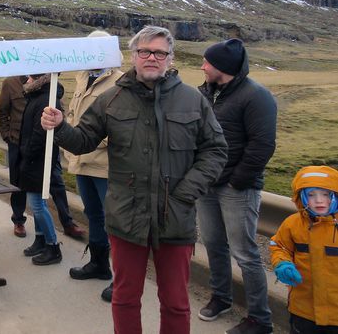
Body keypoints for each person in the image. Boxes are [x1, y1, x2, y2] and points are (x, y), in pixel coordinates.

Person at [41, 25, 227, 334]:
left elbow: (216, 151)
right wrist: (60, 127)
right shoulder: (112, 99)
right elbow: (84, 140)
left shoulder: (193, 100)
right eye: (144, 51)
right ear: (133, 56)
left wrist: (185, 193)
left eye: (159, 52)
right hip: (126, 217)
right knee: (125, 298)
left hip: (175, 219)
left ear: (170, 58)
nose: (152, 57)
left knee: (176, 302)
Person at [197, 38, 277, 334]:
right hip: (206, 185)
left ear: (223, 67)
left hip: (237, 189)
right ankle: (221, 298)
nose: (202, 66)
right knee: (214, 245)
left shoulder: (257, 96)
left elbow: (262, 145)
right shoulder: (205, 92)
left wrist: (236, 181)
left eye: (207, 62)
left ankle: (260, 319)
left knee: (245, 254)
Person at [64, 30, 123, 298]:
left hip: (105, 164)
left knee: (115, 221)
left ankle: (122, 279)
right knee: (93, 214)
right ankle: (99, 264)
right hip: (81, 162)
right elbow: (73, 115)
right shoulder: (82, 78)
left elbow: (119, 127)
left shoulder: (119, 83)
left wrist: (87, 140)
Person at [0, 75, 85, 239]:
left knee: (56, 182)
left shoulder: (48, 84)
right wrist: (7, 136)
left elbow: (60, 110)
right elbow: (2, 111)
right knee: (19, 184)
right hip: (18, 142)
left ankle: (67, 223)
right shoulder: (10, 82)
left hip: (46, 143)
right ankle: (19, 220)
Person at [269, 166, 338, 334]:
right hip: (303, 309)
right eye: (311, 195)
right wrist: (282, 263)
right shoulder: (293, 224)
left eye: (325, 195)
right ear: (301, 197)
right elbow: (279, 246)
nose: (319, 201)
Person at [17, 73, 64, 265]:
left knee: (37, 204)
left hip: (38, 160)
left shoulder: (47, 99)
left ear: (39, 80)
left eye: (30, 77)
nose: (26, 80)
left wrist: (27, 153)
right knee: (35, 203)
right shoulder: (38, 97)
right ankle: (40, 239)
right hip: (33, 158)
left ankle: (53, 246)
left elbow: (40, 133)